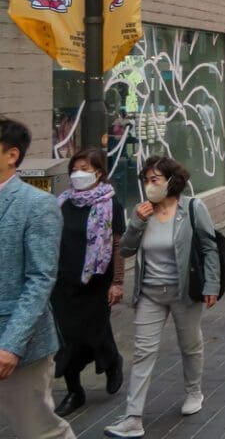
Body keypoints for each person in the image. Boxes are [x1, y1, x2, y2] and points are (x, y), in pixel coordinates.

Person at [104, 157, 220, 439]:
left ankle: (194, 392)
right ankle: (133, 417)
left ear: (171, 181)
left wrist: (211, 285)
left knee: (190, 345)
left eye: (155, 180)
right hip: (149, 294)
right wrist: (136, 222)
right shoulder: (143, 212)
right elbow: (126, 251)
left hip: (183, 291)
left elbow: (209, 246)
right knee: (143, 352)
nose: (149, 186)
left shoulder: (192, 207)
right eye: (146, 180)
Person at [0, 117, 77, 439]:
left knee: (38, 431)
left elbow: (40, 279)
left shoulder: (37, 205)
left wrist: (12, 344)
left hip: (17, 344)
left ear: (11, 155)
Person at [52, 149, 126, 418]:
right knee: (67, 338)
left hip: (96, 281)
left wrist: (117, 282)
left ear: (98, 172)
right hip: (63, 282)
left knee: (95, 331)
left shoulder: (110, 204)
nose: (78, 173)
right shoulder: (61, 202)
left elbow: (118, 243)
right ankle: (74, 390)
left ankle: (112, 362)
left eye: (85, 167)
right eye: (75, 168)